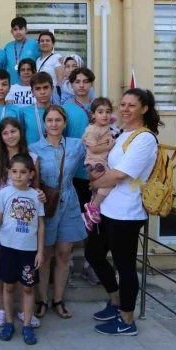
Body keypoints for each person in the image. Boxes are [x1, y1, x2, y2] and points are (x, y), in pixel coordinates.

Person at [85, 89, 161, 337]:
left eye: (131, 105)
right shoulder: (122, 133)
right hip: (108, 208)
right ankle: (115, 301)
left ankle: (127, 319)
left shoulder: (145, 139)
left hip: (127, 213)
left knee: (125, 266)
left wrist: (95, 184)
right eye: (123, 104)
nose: (125, 109)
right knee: (94, 254)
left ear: (144, 109)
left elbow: (120, 174)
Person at [30, 105, 86, 320]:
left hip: (69, 202)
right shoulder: (34, 148)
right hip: (46, 204)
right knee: (44, 255)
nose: (54, 124)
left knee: (63, 253)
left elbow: (99, 153)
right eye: (50, 120)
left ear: (64, 122)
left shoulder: (76, 145)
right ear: (44, 123)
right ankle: (42, 300)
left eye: (58, 120)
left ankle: (58, 300)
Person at [0, 118, 42, 330]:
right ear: (0, 137)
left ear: (20, 132)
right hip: (0, 211)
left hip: (24, 216)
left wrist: (41, 196)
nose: (10, 136)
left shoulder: (32, 158)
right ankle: (1, 307)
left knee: (24, 263)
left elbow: (36, 188)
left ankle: (24, 309)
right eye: (5, 133)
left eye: (13, 131)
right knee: (0, 261)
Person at [63, 67, 101, 284]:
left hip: (96, 175)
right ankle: (66, 264)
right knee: (70, 219)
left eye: (86, 81)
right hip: (73, 173)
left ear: (91, 84)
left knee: (93, 221)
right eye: (77, 81)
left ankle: (90, 264)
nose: (81, 85)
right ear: (71, 84)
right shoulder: (66, 109)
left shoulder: (99, 108)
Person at [81, 98, 117, 230]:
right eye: (100, 112)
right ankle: (93, 206)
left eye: (108, 112)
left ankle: (89, 216)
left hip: (101, 160)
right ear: (93, 114)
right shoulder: (93, 130)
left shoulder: (105, 126)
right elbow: (93, 149)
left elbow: (116, 126)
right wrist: (109, 146)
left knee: (98, 189)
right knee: (110, 182)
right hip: (95, 161)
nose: (105, 115)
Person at [19, 72, 56, 146]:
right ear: (32, 92)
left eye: (45, 87)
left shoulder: (59, 111)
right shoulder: (24, 112)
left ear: (52, 88)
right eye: (38, 89)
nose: (42, 92)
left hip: (55, 151)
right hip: (31, 152)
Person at [4, 17, 41, 85]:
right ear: (11, 32)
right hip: (12, 86)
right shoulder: (8, 47)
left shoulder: (34, 44)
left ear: (26, 30)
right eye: (15, 29)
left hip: (30, 86)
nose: (18, 32)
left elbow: (44, 58)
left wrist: (59, 59)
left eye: (21, 29)